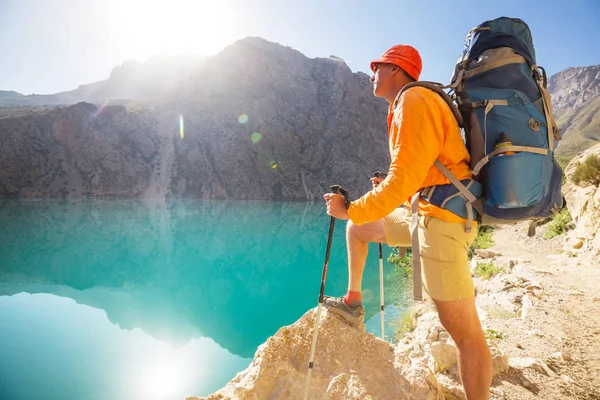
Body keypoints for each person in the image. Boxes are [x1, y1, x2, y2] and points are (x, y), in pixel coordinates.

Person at [322, 44, 493, 399]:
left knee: (463, 332)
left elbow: (404, 177)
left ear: (396, 70)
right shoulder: (412, 102)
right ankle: (354, 302)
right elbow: (416, 174)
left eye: (378, 67)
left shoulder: (414, 101)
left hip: (443, 221)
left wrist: (350, 208)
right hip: (425, 212)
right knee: (360, 230)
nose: (372, 73)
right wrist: (375, 200)